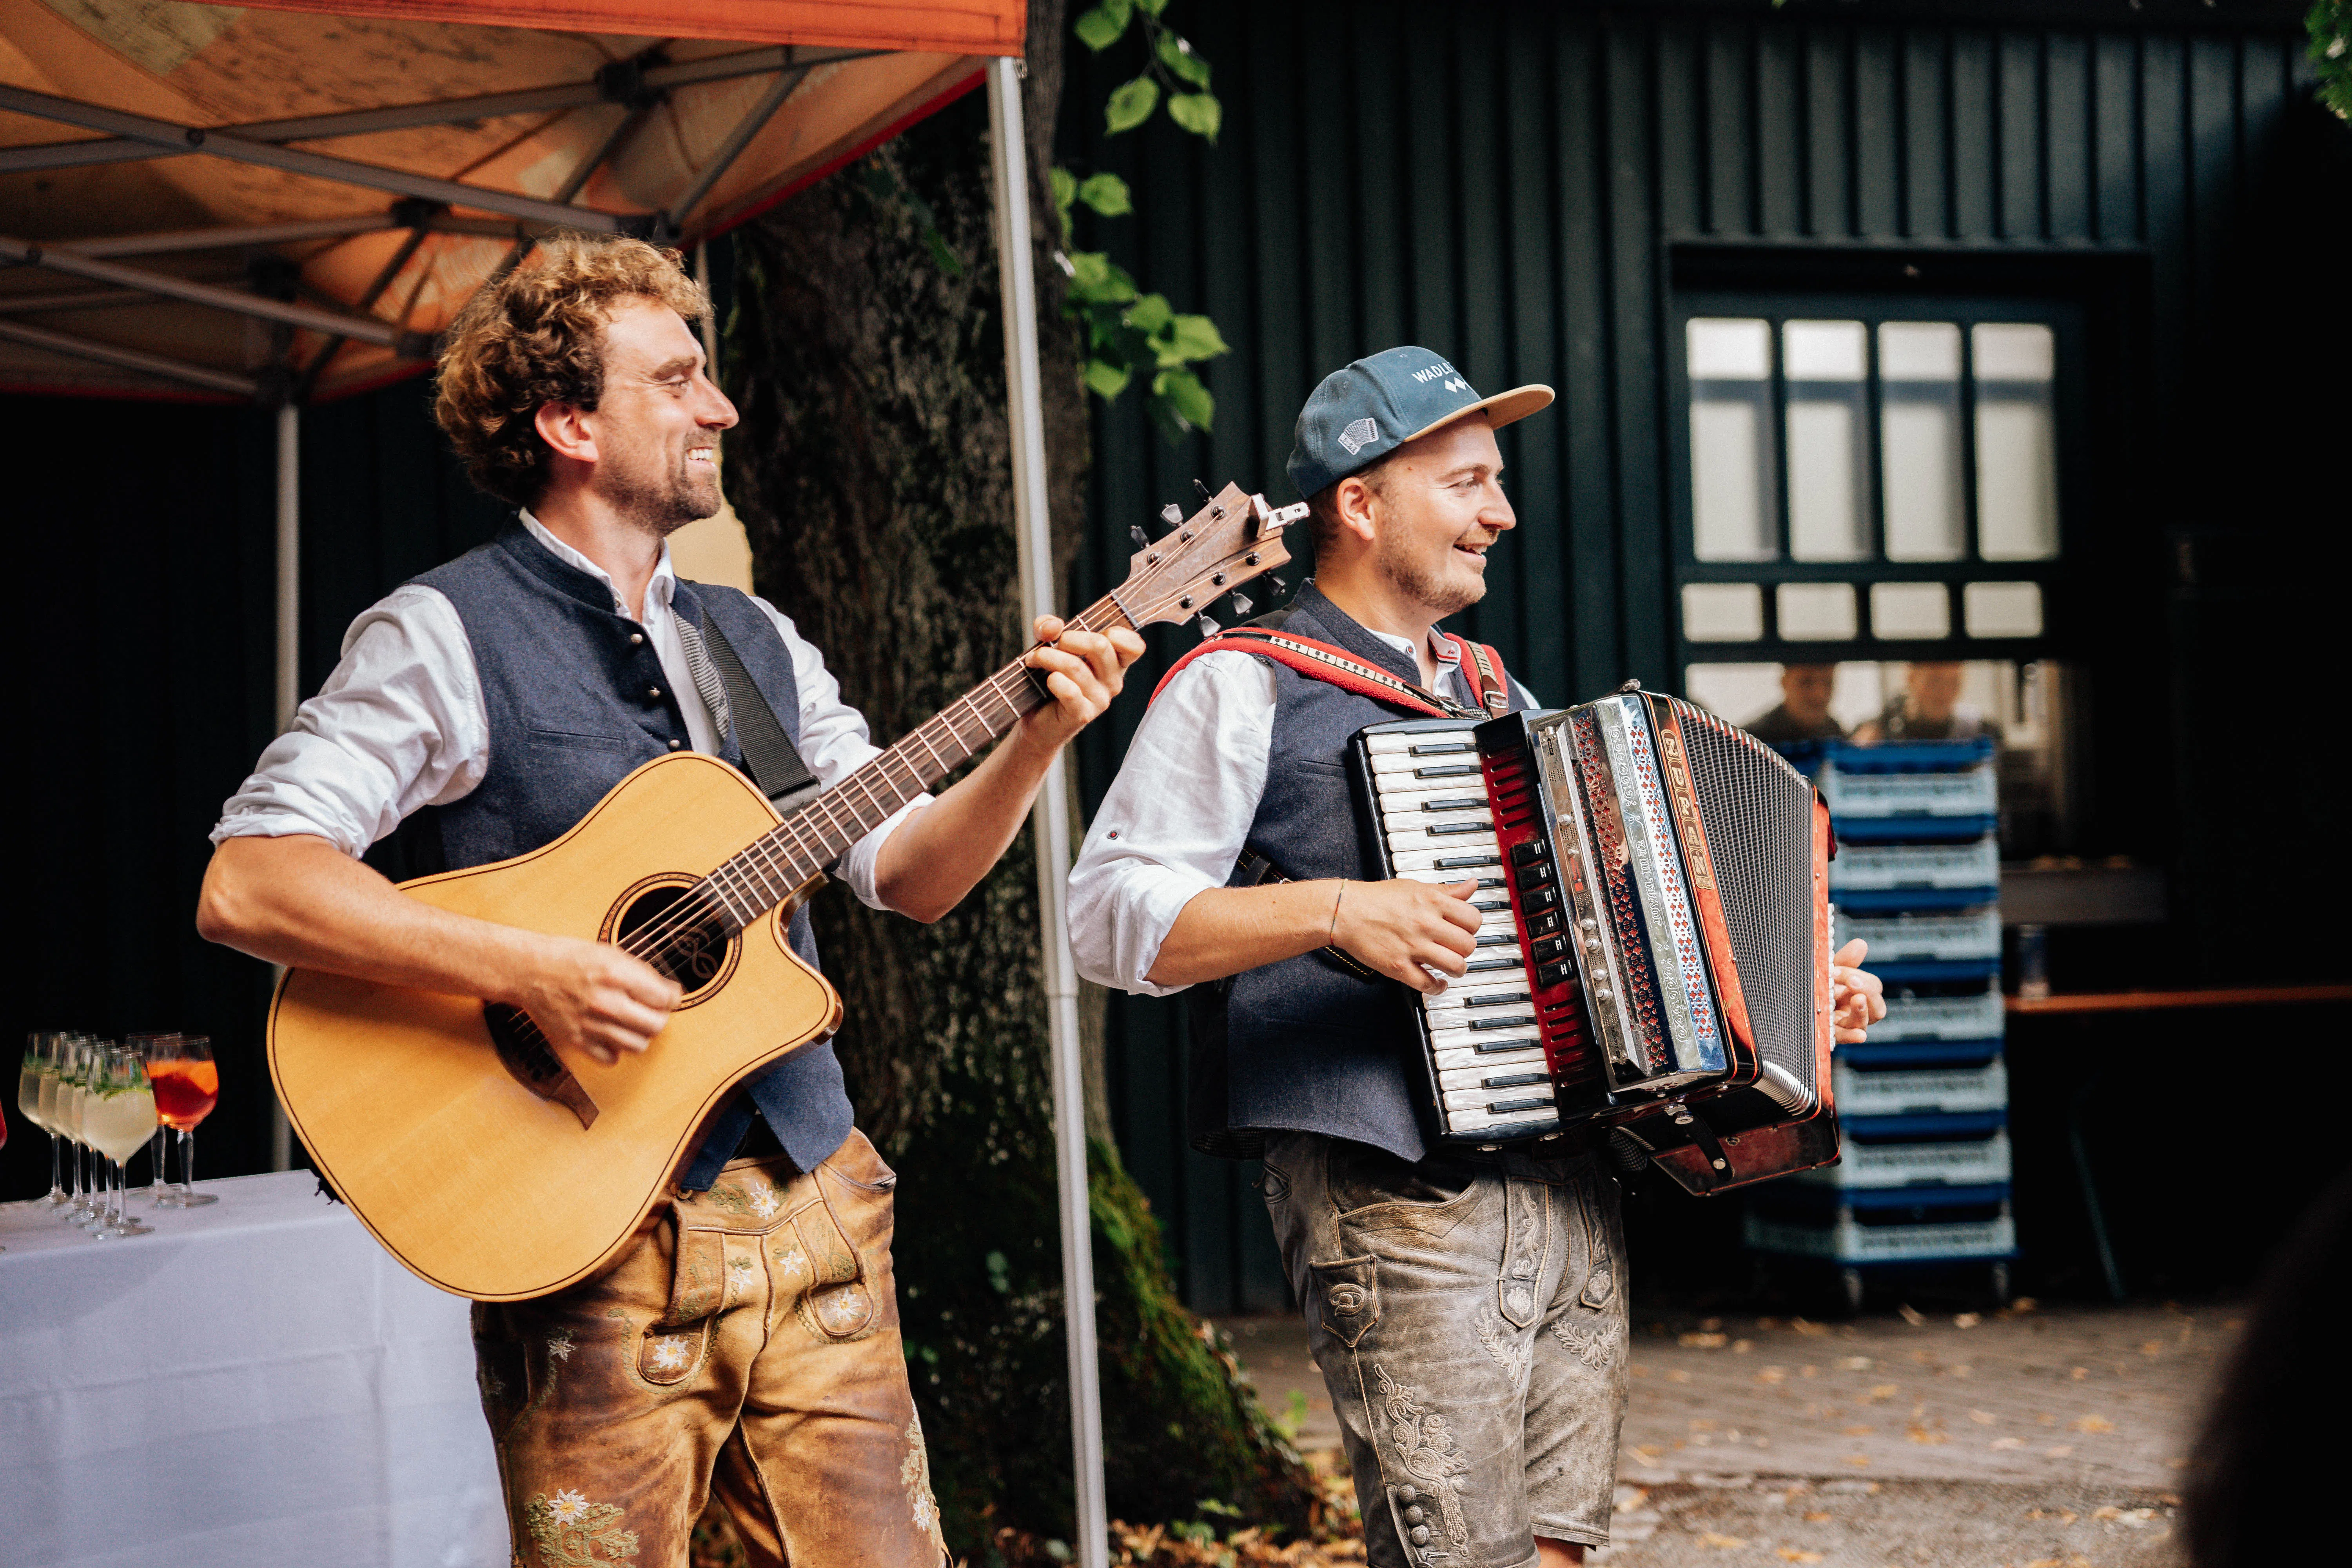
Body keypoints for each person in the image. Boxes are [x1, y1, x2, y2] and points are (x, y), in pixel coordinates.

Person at [195, 236, 1143, 1568]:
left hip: (819, 1201)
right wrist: (530, 970)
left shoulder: (755, 643)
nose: (722, 408)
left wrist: (1038, 737)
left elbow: (913, 877)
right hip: (592, 1226)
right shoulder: (442, 632)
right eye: (681, 379)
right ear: (569, 422)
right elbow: (252, 880)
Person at [1067, 347, 1886, 1568]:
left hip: (1565, 1194)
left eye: (1494, 484)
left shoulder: (1501, 700)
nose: (1500, 513)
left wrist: (1776, 1000)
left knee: (1558, 1554)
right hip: (1394, 1199)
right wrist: (1334, 911)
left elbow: (1626, 953)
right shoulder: (1239, 684)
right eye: (1464, 483)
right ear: (1360, 503)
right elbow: (1106, 919)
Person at [1854, 660, 2002, 744]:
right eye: (1934, 681)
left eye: (1953, 683)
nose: (1944, 692)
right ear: (1911, 678)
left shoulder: (1983, 732)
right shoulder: (1874, 733)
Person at [1744, 662, 1846, 742]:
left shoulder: (1837, 735)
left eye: (1828, 683)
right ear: (1785, 682)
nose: (1819, 694)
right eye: (1806, 683)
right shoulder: (1752, 741)